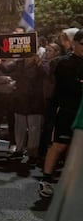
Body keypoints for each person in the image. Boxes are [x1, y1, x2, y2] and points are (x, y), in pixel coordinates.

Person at [38, 29, 83, 198]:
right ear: (75, 43)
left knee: (76, 147)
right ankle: (46, 179)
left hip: (80, 112)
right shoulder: (64, 63)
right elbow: (69, 86)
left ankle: (70, 181)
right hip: (65, 110)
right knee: (58, 145)